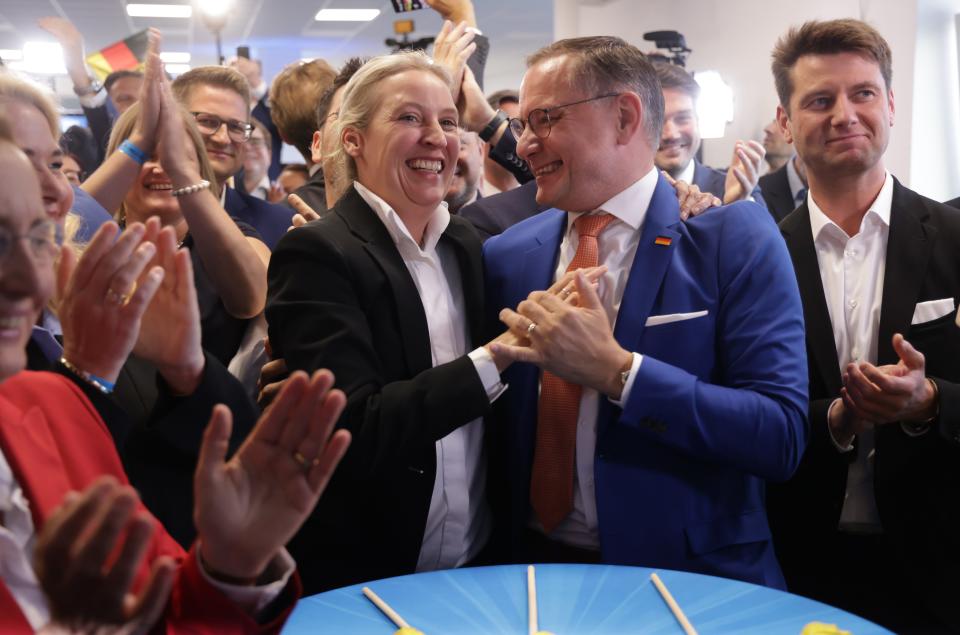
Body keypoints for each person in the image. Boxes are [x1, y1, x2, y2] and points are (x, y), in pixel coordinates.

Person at [0, 116, 350, 633]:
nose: (32, 280)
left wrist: (229, 567)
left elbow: (168, 604)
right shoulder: (66, 380)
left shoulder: (50, 397)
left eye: (36, 239)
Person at [483, 36, 807, 587]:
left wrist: (619, 374)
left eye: (543, 119)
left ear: (625, 117)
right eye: (521, 126)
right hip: (531, 576)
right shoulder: (507, 255)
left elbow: (780, 436)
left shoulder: (730, 238)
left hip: (690, 581)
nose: (525, 144)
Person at [265, 51, 553, 593]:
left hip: (479, 567)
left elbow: (564, 204)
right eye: (408, 118)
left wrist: (677, 200)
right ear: (353, 140)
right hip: (364, 576)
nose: (436, 137)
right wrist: (495, 358)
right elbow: (354, 427)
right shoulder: (318, 253)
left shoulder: (472, 245)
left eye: (447, 121)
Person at [765, 19, 960, 632]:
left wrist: (930, 401)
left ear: (892, 104)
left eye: (863, 94)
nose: (843, 114)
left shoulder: (955, 241)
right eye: (819, 100)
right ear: (786, 121)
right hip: (799, 557)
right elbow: (743, 402)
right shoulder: (757, 257)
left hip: (941, 560)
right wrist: (834, 418)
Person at [171, 66, 291, 248]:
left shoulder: (279, 226)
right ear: (170, 122)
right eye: (207, 121)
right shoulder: (133, 211)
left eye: (236, 127)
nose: (223, 139)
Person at [653, 61, 767, 207]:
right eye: (657, 121)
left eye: (682, 118)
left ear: (698, 120)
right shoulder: (625, 193)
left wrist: (738, 207)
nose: (671, 134)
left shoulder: (738, 187)